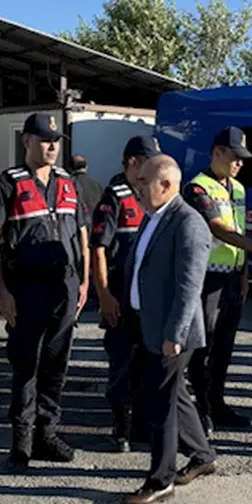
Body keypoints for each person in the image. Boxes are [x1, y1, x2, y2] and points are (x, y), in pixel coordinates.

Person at [0, 112, 90, 471]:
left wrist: (86, 280)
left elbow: (82, 234)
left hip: (65, 285)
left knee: (56, 363)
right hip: (26, 288)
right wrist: (0, 290)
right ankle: (22, 441)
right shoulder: (7, 185)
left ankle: (47, 432)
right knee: (26, 364)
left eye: (56, 142)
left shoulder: (68, 183)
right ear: (26, 141)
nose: (51, 147)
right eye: (44, 140)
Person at [122, 155, 219, 504]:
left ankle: (161, 479)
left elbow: (188, 288)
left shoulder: (188, 223)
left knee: (160, 401)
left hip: (172, 331)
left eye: (144, 182)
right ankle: (203, 455)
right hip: (149, 323)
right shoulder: (154, 217)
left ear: (166, 185)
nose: (137, 187)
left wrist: (174, 336)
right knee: (174, 394)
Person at [182, 126, 252, 435]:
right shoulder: (197, 188)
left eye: (242, 158)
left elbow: (238, 228)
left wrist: (245, 273)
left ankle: (217, 401)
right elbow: (219, 229)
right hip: (207, 277)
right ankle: (200, 408)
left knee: (225, 345)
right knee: (204, 344)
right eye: (234, 157)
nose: (239, 163)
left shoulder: (237, 189)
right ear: (217, 154)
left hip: (233, 276)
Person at [90, 136, 161, 451]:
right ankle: (121, 424)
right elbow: (99, 249)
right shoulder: (113, 197)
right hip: (120, 292)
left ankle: (144, 424)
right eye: (148, 161)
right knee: (122, 361)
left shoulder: (152, 195)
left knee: (147, 362)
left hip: (147, 296)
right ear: (133, 162)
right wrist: (104, 294)